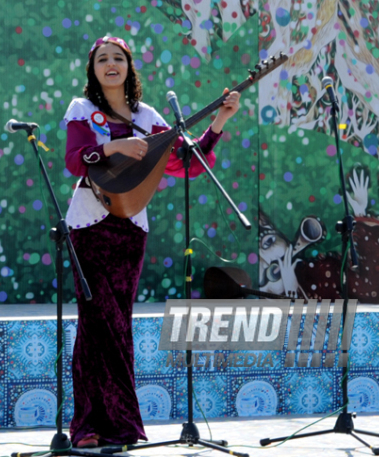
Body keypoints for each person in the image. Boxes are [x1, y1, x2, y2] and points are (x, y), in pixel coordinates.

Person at [63, 36, 240, 447]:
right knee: (95, 323)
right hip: (90, 224)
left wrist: (219, 123)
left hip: (131, 229)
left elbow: (186, 164)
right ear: (93, 69)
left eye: (118, 58)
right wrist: (113, 145)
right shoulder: (83, 109)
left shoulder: (149, 117)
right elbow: (75, 159)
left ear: (129, 67)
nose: (111, 64)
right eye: (102, 59)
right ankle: (87, 426)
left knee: (118, 323)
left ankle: (122, 424)